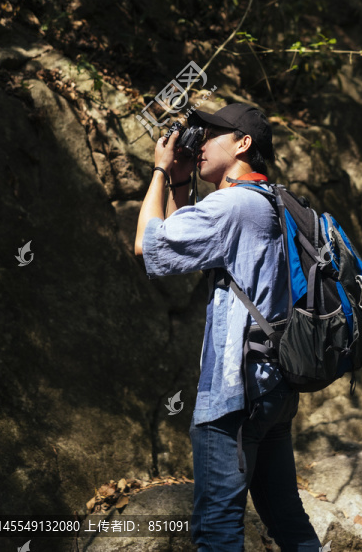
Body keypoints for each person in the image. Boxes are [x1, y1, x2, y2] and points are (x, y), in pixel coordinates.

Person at [134, 103, 322, 552]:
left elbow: (148, 245)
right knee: (286, 519)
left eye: (212, 133)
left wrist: (160, 172)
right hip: (274, 387)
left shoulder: (233, 205)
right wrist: (183, 180)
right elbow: (186, 241)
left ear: (243, 144)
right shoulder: (272, 200)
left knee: (217, 528)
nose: (198, 144)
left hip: (235, 393)